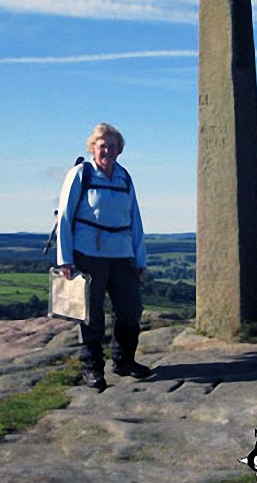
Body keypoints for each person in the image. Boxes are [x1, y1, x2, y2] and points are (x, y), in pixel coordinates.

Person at [56, 123, 151, 390]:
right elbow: (64, 216)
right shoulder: (81, 173)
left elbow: (135, 220)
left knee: (130, 309)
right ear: (92, 148)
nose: (107, 150)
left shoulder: (124, 177)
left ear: (119, 150)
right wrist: (65, 259)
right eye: (102, 146)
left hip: (122, 254)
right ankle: (93, 369)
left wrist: (139, 259)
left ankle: (124, 361)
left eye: (112, 146)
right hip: (88, 254)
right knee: (90, 314)